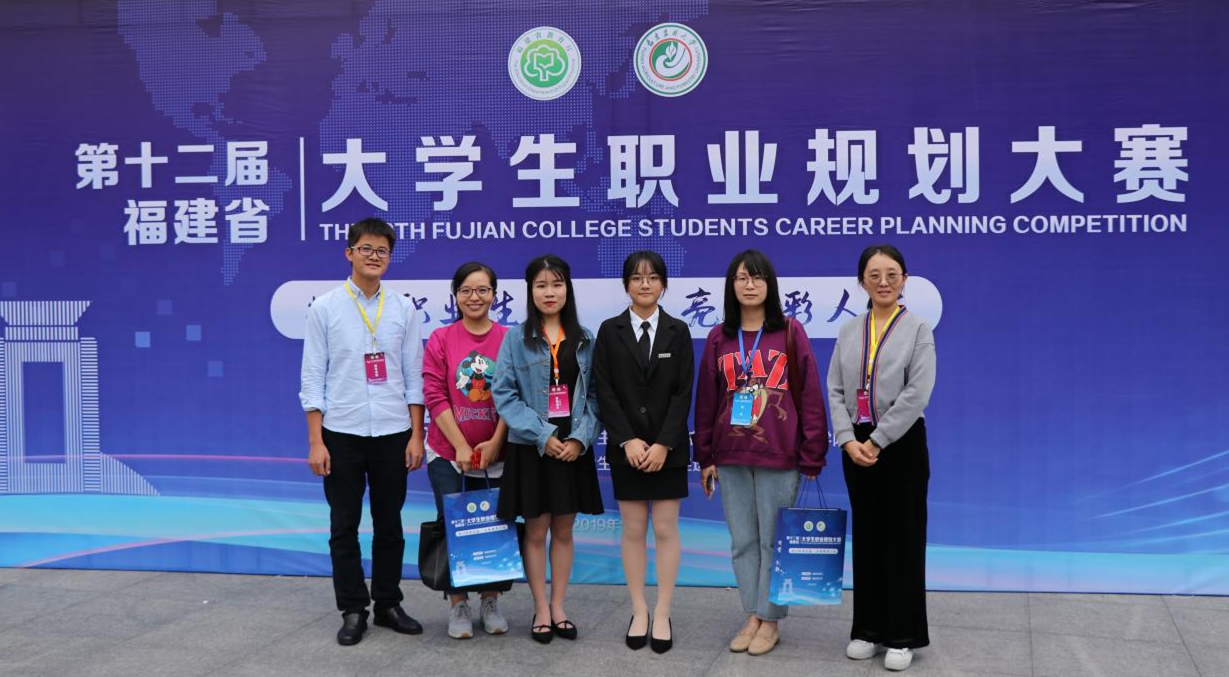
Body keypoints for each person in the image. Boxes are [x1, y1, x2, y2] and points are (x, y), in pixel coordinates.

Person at [693, 249, 828, 657]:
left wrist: (813, 452)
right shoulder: (719, 337)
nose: (749, 285)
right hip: (730, 454)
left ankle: (770, 620)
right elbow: (706, 399)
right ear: (731, 286)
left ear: (770, 284)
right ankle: (752, 614)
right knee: (743, 542)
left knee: (773, 542)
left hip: (779, 454)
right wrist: (705, 455)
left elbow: (810, 394)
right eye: (741, 278)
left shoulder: (789, 331)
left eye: (757, 278)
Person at [300, 217, 426, 646]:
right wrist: (316, 441)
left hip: (393, 430)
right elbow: (312, 377)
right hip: (342, 431)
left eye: (382, 251)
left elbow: (413, 376)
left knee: (390, 525)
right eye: (366, 248)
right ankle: (353, 609)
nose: (374, 256)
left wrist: (417, 435)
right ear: (349, 253)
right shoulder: (325, 307)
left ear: (390, 257)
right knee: (344, 526)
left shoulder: (403, 308)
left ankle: (388, 603)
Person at [828, 244, 935, 672]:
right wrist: (846, 439)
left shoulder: (918, 329)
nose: (883, 282)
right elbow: (835, 389)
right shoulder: (850, 330)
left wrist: (878, 440)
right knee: (869, 537)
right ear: (862, 282)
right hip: (856, 446)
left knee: (903, 539)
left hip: (901, 444)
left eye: (892, 274)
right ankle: (867, 629)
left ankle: (902, 635)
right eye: (874, 275)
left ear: (904, 279)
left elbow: (917, 393)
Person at [493, 254, 604, 644]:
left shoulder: (585, 338)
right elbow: (504, 395)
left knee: (564, 530)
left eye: (556, 284)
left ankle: (559, 606)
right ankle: (540, 607)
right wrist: (543, 435)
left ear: (567, 288)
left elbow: (597, 398)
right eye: (541, 286)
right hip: (532, 447)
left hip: (572, 448)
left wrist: (579, 439)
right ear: (530, 291)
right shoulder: (515, 338)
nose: (549, 292)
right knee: (536, 531)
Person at [592, 251, 693, 654]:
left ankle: (663, 611)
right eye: (636, 277)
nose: (645, 284)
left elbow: (683, 393)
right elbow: (604, 391)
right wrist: (627, 440)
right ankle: (638, 610)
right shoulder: (609, 330)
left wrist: (664, 443)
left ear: (663, 284)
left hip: (669, 450)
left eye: (652, 277)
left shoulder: (678, 330)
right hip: (627, 450)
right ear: (626, 285)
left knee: (666, 530)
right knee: (633, 530)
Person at [422, 261, 511, 639]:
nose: (475, 297)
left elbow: (515, 395)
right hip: (447, 454)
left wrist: (496, 442)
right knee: (454, 526)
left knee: (493, 525)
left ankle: (490, 600)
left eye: (483, 290)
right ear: (456, 295)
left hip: (498, 455)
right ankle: (458, 604)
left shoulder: (509, 338)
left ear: (494, 294)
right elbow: (434, 394)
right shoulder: (441, 338)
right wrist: (459, 444)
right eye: (466, 290)